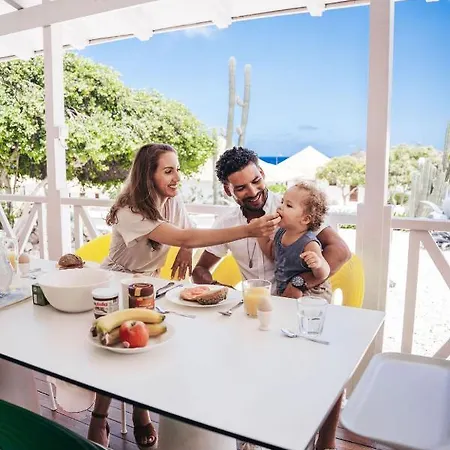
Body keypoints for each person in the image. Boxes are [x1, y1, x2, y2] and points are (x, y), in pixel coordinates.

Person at [88, 143, 280, 449]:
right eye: (168, 171)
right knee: (115, 353)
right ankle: (99, 417)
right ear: (148, 176)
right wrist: (247, 231)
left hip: (151, 286)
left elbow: (188, 233)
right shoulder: (129, 211)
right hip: (117, 284)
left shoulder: (171, 200)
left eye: (177, 169)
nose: (177, 177)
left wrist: (186, 250)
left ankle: (141, 412)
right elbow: (183, 235)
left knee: (147, 351)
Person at [192, 146, 351, 450]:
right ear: (227, 190)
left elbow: (340, 251)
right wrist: (221, 290)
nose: (253, 192)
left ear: (262, 173)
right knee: (228, 357)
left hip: (301, 300)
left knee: (328, 364)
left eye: (256, 180)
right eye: (241, 187)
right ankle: (252, 433)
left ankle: (326, 443)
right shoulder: (227, 223)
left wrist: (300, 283)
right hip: (259, 309)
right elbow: (200, 270)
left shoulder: (292, 205)